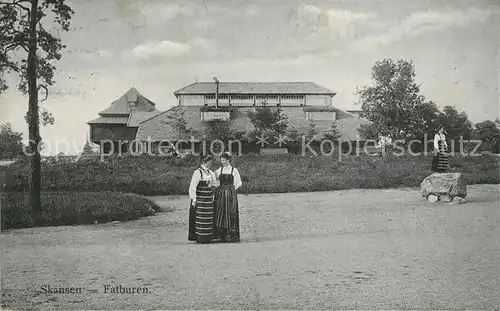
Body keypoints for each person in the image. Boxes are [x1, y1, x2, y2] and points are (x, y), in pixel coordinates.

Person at [213, 152, 242, 243]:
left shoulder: (234, 170)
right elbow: (214, 180)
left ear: (228, 160)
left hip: (230, 194)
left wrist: (231, 190)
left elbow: (238, 182)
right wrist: (218, 187)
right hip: (221, 194)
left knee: (231, 211)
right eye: (221, 160)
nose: (223, 162)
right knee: (220, 212)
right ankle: (221, 235)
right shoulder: (219, 170)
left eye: (224, 160)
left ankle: (231, 235)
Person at [188, 155, 217, 244]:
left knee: (208, 217)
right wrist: (194, 199)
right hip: (200, 198)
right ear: (204, 162)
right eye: (210, 162)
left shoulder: (210, 173)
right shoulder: (197, 172)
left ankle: (208, 238)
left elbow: (214, 183)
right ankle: (200, 238)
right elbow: (192, 187)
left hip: (208, 198)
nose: (211, 164)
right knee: (200, 217)